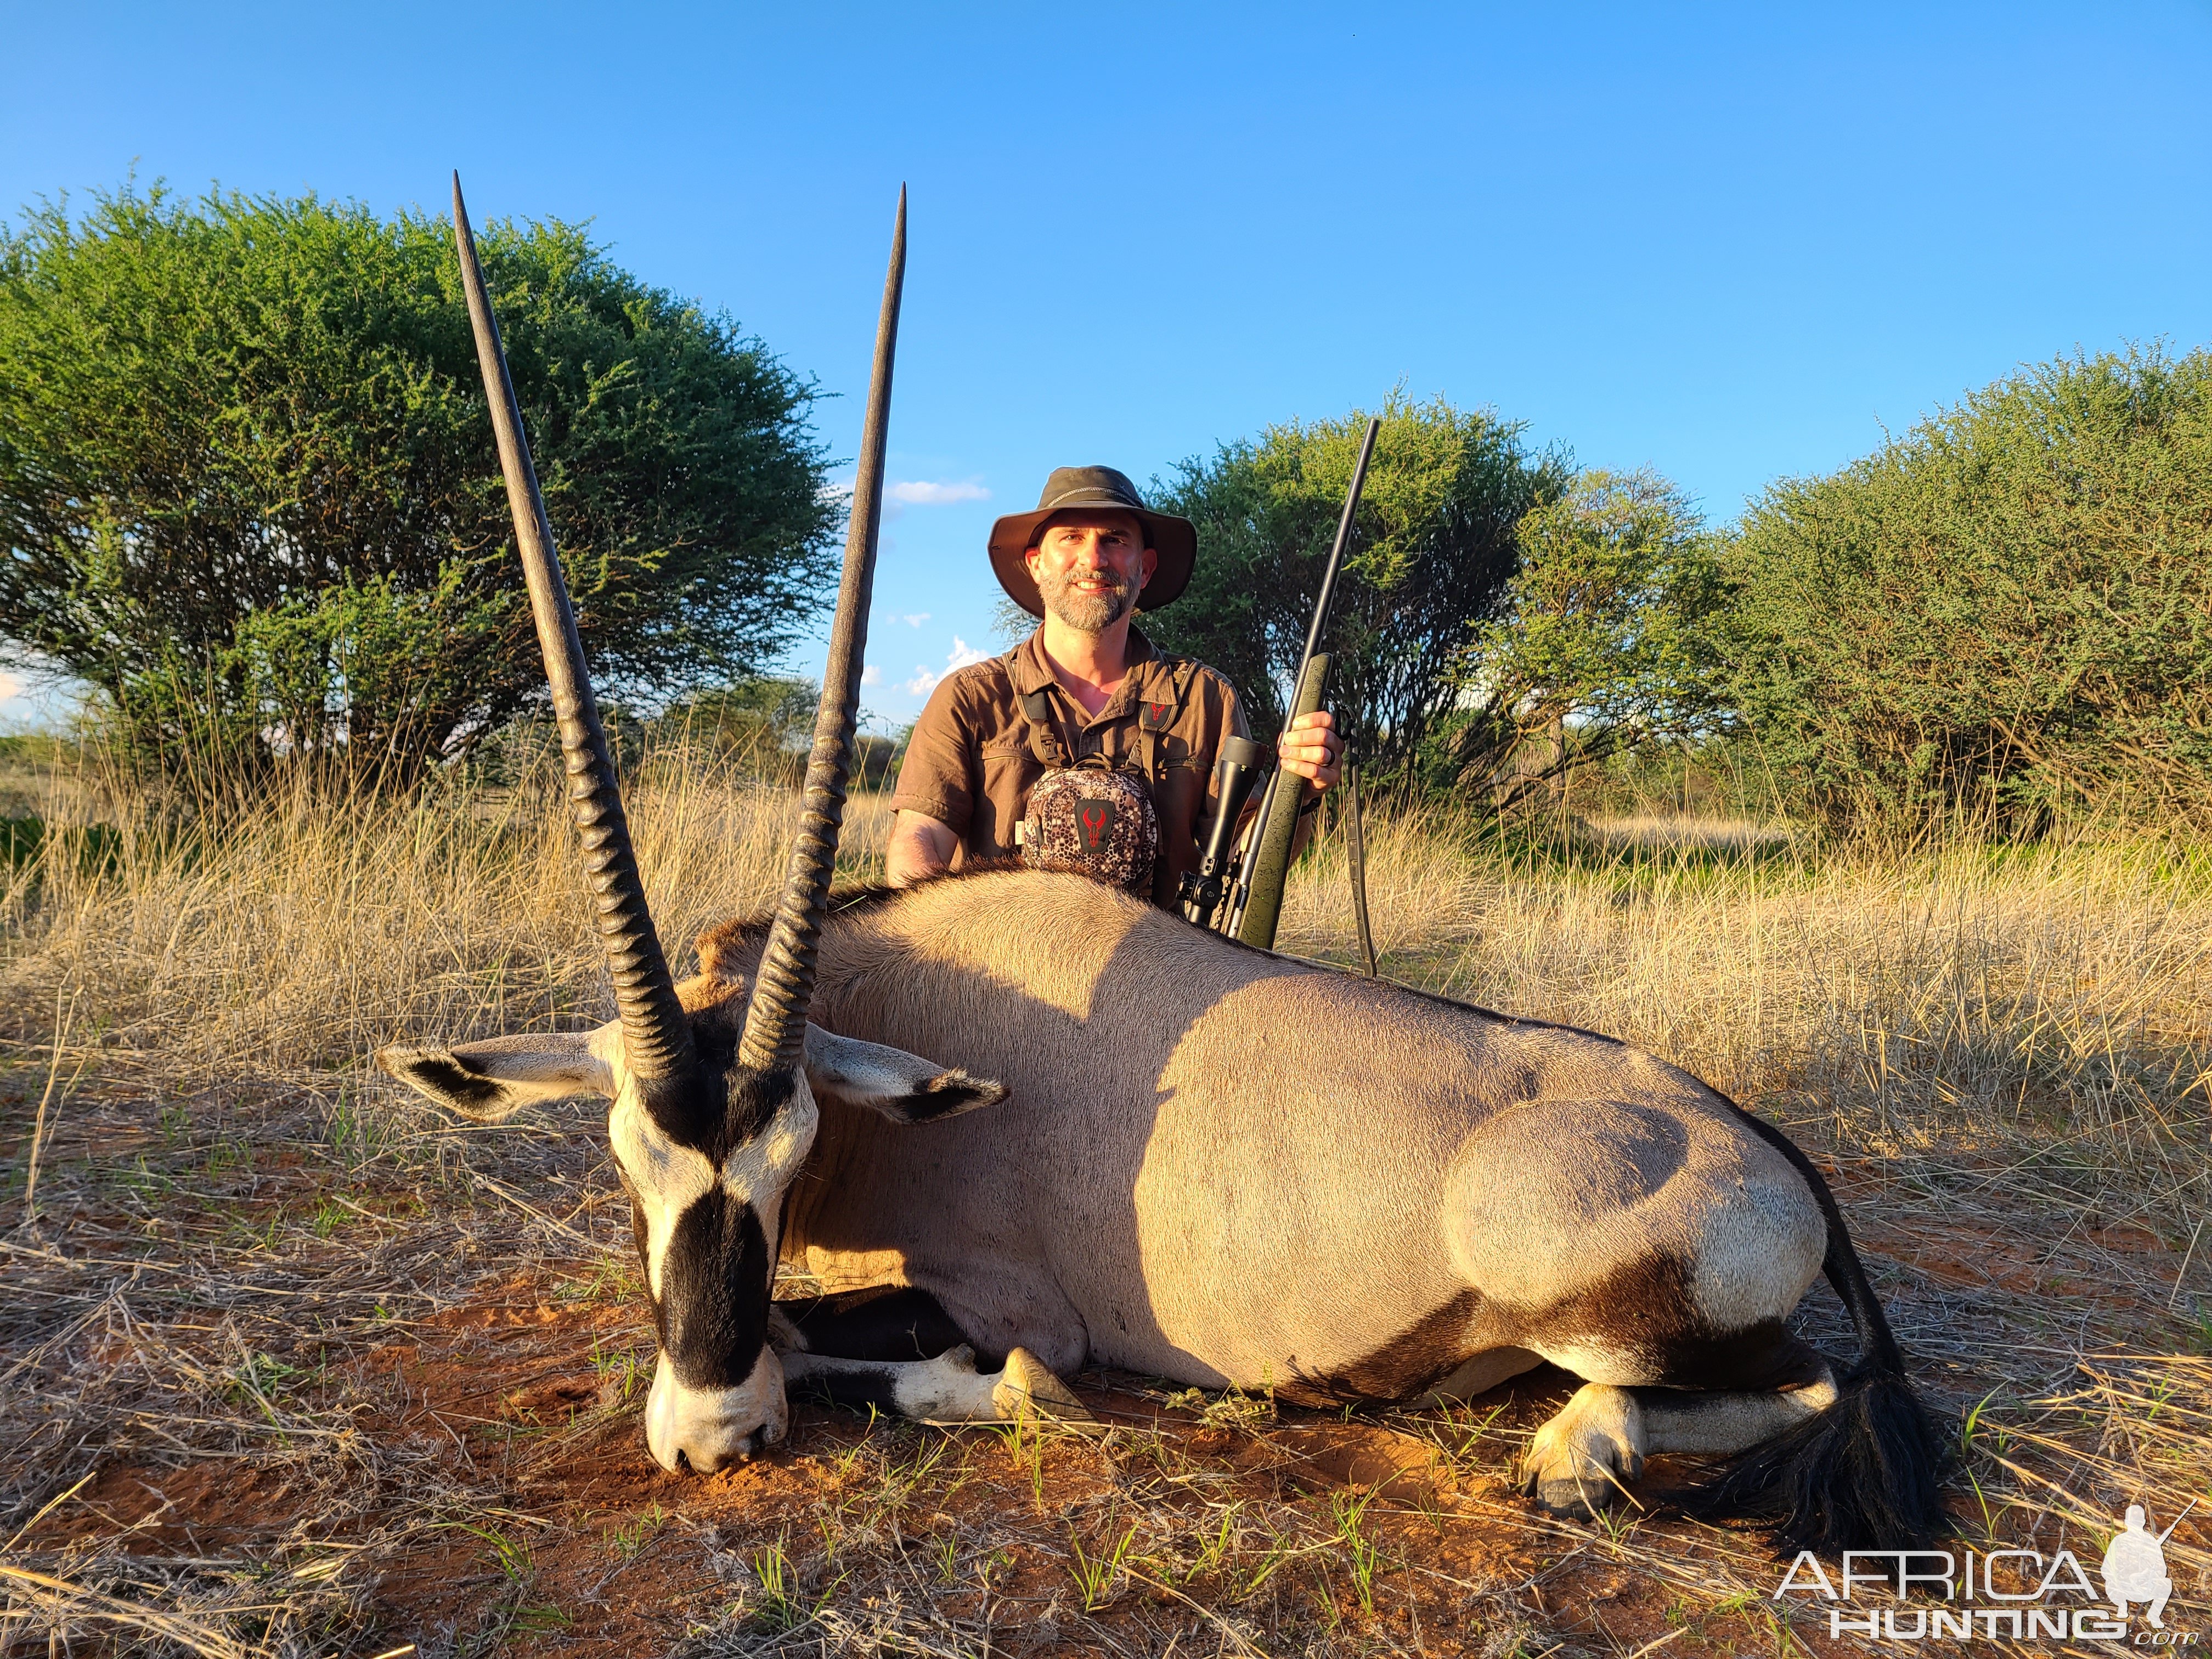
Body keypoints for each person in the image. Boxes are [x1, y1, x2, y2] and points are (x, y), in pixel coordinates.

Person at [885, 465, 1342, 909]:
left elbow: (1249, 860)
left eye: (1115, 539)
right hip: (1003, 977)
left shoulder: (1206, 699)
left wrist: (1299, 793)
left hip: (1162, 975)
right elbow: (920, 838)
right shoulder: (970, 698)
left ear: (1143, 570)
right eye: (1071, 537)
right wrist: (947, 949)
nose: (1094, 558)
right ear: (1037, 565)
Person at [2101, 1504, 2172, 1628]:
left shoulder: (2151, 1542)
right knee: (2111, 1582)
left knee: (2167, 1583)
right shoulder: (2118, 1541)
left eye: (2138, 1522)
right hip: (2122, 1588)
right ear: (2127, 1523)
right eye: (2133, 1522)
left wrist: (2146, 1575)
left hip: (2145, 1587)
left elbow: (2162, 1569)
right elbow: (2106, 1569)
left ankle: (2154, 1615)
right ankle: (2122, 1607)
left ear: (2144, 1522)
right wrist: (2123, 1577)